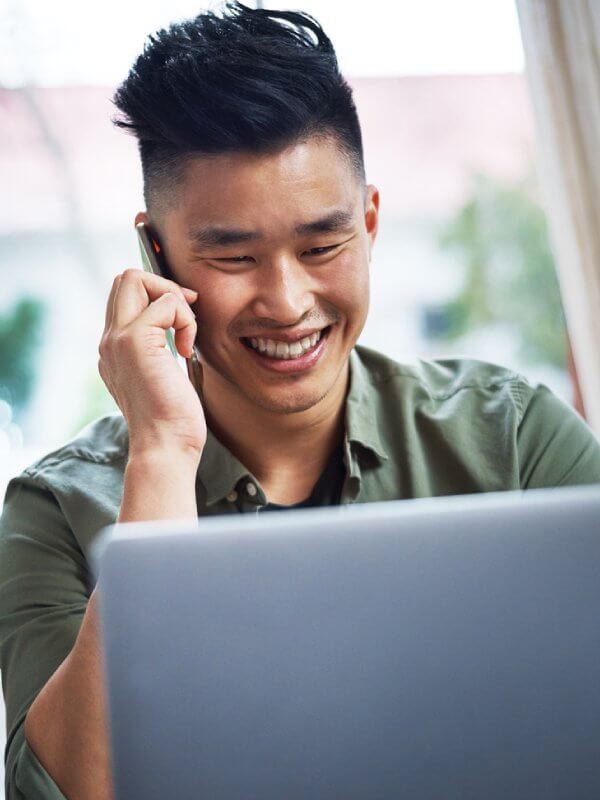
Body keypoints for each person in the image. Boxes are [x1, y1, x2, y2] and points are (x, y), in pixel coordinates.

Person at [1, 2, 599, 798]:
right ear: (156, 254)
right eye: (234, 257)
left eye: (321, 246)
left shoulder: (516, 440)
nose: (287, 303)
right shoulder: (54, 510)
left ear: (370, 222)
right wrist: (164, 454)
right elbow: (69, 791)